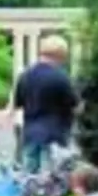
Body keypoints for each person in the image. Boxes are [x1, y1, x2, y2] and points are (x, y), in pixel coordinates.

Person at [10, 35, 81, 175]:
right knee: (52, 179)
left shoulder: (25, 76)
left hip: (30, 133)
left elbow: (18, 104)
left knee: (29, 178)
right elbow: (75, 106)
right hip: (55, 135)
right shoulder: (61, 77)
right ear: (61, 55)